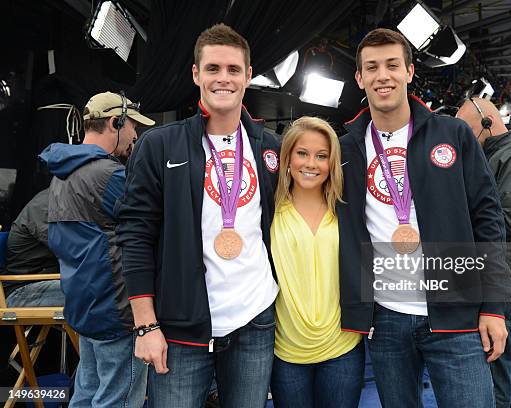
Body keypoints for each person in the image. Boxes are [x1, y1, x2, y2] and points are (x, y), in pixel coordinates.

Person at [338, 28, 510, 408]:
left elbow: (489, 221)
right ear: (360, 78)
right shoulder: (346, 147)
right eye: (372, 67)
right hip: (385, 317)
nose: (383, 75)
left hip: (457, 313)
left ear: (410, 72)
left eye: (392, 65)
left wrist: (494, 306)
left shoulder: (453, 134)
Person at [114, 24, 280, 408]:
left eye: (233, 70)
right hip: (179, 329)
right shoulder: (160, 145)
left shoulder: (270, 148)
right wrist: (146, 325)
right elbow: (134, 236)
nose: (224, 78)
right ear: (196, 74)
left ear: (248, 76)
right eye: (213, 69)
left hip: (255, 321)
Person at [39, 91, 155, 408]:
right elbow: (152, 228)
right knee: (117, 401)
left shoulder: (62, 173)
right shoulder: (109, 175)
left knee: (86, 396)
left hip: (85, 305)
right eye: (133, 126)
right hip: (117, 309)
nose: (135, 136)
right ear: (114, 122)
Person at [457, 97, 511, 408]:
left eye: (467, 132)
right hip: (500, 272)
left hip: (504, 274)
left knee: (496, 363)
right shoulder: (496, 157)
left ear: (487, 122)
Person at [270, 117, 364, 408]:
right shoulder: (267, 209)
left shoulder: (347, 210)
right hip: (287, 352)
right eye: (302, 153)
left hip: (342, 348)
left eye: (321, 156)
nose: (311, 163)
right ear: (287, 157)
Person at [1, 188, 63, 307]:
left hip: (44, 279)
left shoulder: (61, 200)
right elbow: (72, 249)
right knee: (98, 291)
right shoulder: (47, 205)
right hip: (22, 291)